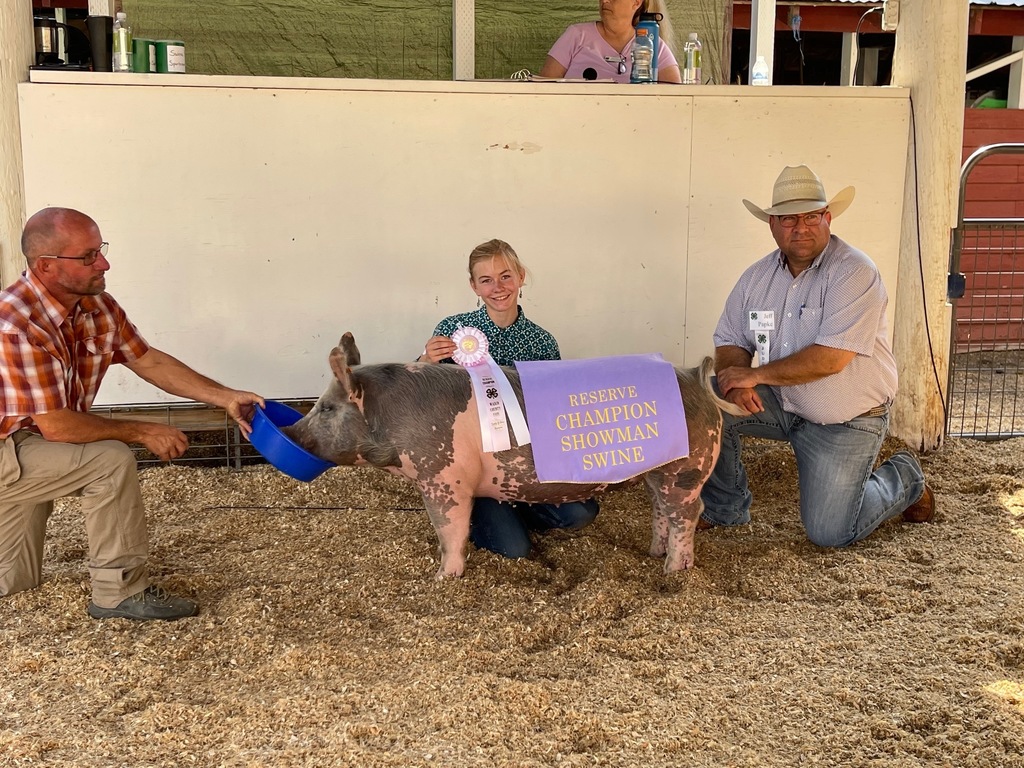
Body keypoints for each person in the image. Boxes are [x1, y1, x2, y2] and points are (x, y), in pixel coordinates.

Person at [0, 207, 264, 621]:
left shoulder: (96, 306)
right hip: (10, 448)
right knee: (108, 460)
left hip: (26, 443)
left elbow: (150, 361)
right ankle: (119, 591)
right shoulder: (15, 324)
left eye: (100, 249)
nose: (104, 263)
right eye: (87, 256)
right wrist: (140, 430)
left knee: (11, 581)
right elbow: (60, 426)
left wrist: (223, 396)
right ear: (46, 266)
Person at [699, 165, 935, 546]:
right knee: (707, 400)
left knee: (830, 533)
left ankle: (904, 478)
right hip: (784, 403)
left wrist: (755, 377)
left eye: (811, 216)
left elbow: (830, 359)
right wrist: (734, 379)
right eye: (789, 219)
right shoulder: (756, 279)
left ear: (828, 219)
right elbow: (730, 339)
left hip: (844, 419)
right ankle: (724, 507)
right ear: (773, 224)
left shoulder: (855, 272)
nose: (801, 227)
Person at [418, 238, 598, 559]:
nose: (497, 287)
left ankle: (516, 508)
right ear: (474, 287)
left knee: (581, 513)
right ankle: (480, 509)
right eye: (486, 280)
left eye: (505, 276)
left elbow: (553, 411)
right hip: (474, 467)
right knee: (514, 550)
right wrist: (424, 361)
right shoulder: (452, 331)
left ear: (521, 276)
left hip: (525, 461)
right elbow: (421, 399)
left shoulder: (543, 342)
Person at [538, 0, 682, 84]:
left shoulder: (654, 45)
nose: (604, 1)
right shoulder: (576, 35)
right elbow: (542, 89)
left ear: (637, 2)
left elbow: (678, 100)